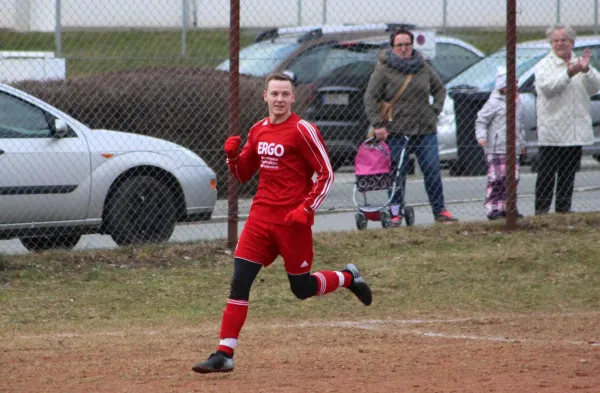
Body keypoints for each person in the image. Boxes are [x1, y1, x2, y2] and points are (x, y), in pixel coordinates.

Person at [192, 72, 372, 374]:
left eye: (285, 94)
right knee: (239, 280)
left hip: (292, 222)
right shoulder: (258, 130)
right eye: (274, 94)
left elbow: (326, 174)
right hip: (261, 219)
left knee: (301, 289)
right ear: (265, 96)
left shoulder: (303, 130)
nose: (279, 99)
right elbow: (243, 174)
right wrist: (232, 158)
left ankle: (348, 277)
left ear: (293, 97)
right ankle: (224, 354)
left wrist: (306, 208)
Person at [364, 28, 458, 225]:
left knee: (432, 169)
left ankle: (440, 211)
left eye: (407, 44)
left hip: (425, 129)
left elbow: (439, 89)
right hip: (396, 130)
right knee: (397, 174)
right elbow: (370, 98)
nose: (404, 49)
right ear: (392, 47)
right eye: (399, 45)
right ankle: (396, 213)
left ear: (412, 45)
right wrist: (378, 125)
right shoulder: (383, 69)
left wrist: (435, 110)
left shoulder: (422, 67)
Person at [534, 24, 600, 215]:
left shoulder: (581, 63)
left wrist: (586, 71)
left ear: (572, 42)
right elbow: (549, 88)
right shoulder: (544, 65)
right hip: (552, 129)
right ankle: (541, 211)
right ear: (551, 43)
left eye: (564, 40)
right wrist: (568, 74)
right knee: (547, 173)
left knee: (568, 172)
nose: (560, 43)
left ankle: (563, 210)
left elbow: (594, 87)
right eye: (556, 40)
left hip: (575, 129)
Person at [475, 69, 526, 220]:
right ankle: (493, 208)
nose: (515, 86)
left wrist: (521, 143)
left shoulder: (518, 101)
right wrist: (482, 136)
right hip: (496, 147)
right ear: (502, 86)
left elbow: (520, 125)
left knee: (513, 178)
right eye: (511, 83)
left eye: (516, 82)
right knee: (497, 179)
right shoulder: (494, 103)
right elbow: (481, 121)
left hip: (513, 147)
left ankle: (509, 206)